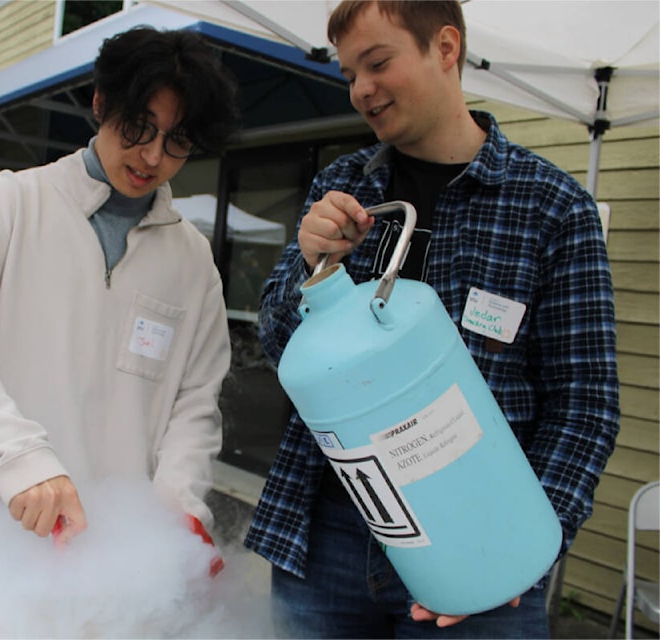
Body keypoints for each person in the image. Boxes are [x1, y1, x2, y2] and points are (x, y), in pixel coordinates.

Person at [243, 1, 620, 637]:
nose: (362, 89)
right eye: (350, 75)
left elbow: (586, 406)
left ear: (445, 48)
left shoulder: (552, 207)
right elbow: (281, 352)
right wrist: (310, 268)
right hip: (329, 534)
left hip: (478, 540)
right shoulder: (342, 187)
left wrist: (521, 547)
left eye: (378, 62)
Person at [0, 27, 239, 550]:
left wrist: (178, 509)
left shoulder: (192, 261)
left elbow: (195, 401)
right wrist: (17, 457)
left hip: (117, 561)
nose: (151, 157)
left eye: (177, 142)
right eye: (138, 127)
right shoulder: (9, 205)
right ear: (100, 104)